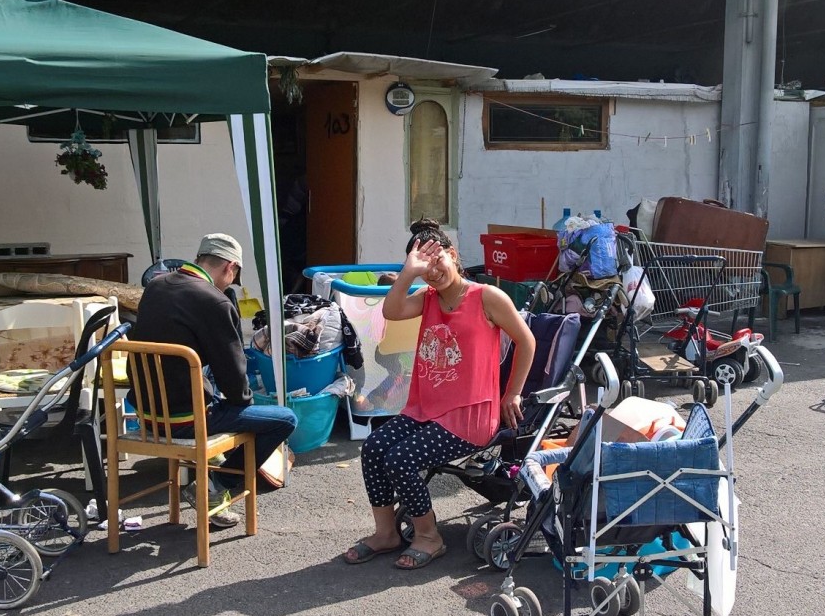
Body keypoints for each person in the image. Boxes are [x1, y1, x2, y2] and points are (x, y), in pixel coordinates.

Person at [343, 219, 535, 570]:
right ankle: (386, 533)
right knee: (373, 448)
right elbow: (390, 311)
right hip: (425, 409)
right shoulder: (426, 299)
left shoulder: (487, 297)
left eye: (438, 261)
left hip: (469, 416)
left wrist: (514, 393)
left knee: (400, 459)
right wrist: (409, 272)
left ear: (453, 254)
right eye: (424, 266)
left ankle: (429, 536)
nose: (432, 272)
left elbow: (526, 341)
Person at [127, 233, 296, 528]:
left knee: (218, 400)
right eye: (233, 276)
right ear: (230, 267)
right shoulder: (214, 301)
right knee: (284, 419)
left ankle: (215, 473)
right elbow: (233, 378)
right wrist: (244, 406)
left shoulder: (155, 286)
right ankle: (216, 485)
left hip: (147, 416)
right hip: (186, 420)